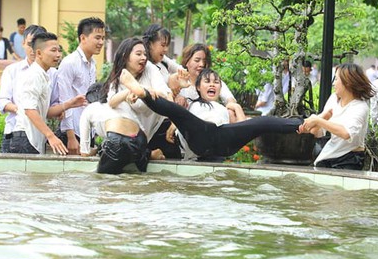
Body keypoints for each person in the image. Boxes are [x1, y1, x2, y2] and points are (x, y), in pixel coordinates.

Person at [119, 67, 303, 162]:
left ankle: (303, 124)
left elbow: (241, 129)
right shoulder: (191, 105)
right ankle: (142, 92)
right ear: (198, 87)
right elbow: (175, 111)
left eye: (216, 82)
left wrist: (237, 109)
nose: (212, 85)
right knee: (177, 111)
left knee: (262, 122)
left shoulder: (223, 109)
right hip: (199, 140)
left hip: (222, 142)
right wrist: (174, 124)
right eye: (207, 82)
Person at [93, 38, 169, 174]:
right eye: (138, 54)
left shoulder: (150, 70)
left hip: (139, 138)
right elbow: (112, 102)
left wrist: (143, 91)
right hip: (124, 140)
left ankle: (146, 153)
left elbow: (165, 95)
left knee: (106, 181)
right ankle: (147, 154)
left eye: (145, 54)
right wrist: (130, 91)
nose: (144, 58)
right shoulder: (117, 78)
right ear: (125, 56)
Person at [9, 32, 86, 155]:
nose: (58, 55)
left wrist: (69, 104)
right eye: (53, 51)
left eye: (59, 51)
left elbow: (45, 113)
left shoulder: (44, 75)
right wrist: (51, 136)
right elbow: (30, 110)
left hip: (32, 139)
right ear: (39, 53)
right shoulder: (33, 75)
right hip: (25, 138)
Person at [298, 63, 374, 170]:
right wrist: (313, 124)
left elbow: (346, 133)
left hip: (350, 159)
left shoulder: (360, 107)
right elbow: (318, 133)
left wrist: (318, 120)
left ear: (347, 82)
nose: (333, 83)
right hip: (328, 155)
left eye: (336, 79)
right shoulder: (334, 99)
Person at [56, 17, 106, 155]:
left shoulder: (93, 64)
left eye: (103, 38)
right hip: (73, 132)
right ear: (83, 38)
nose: (101, 42)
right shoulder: (70, 63)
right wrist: (71, 137)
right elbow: (64, 100)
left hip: (87, 130)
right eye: (97, 38)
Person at [0, 25, 48, 153]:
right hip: (13, 132)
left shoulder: (51, 73)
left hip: (39, 136)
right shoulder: (12, 70)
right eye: (30, 44)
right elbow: (2, 101)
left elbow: (51, 105)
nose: (33, 49)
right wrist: (22, 110)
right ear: (23, 43)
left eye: (38, 45)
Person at [142, 24, 183, 158]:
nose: (165, 49)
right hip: (148, 122)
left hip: (163, 119)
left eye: (167, 46)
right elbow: (166, 92)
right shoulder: (144, 66)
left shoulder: (163, 63)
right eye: (162, 45)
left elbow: (182, 72)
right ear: (150, 44)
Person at [176, 43, 245, 122]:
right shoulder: (178, 81)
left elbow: (230, 99)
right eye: (197, 60)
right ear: (186, 62)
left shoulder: (214, 82)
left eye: (204, 61)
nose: (201, 64)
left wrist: (232, 109)